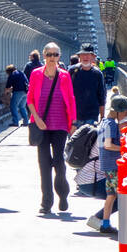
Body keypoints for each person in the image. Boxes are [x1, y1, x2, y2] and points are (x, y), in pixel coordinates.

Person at [26, 41, 76, 215]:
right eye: (49, 55)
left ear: (59, 57)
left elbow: (70, 99)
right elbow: (30, 98)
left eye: (55, 55)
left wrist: (73, 123)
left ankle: (63, 193)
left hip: (61, 124)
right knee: (44, 163)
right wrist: (37, 119)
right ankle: (46, 202)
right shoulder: (35, 74)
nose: (52, 58)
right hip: (41, 124)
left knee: (59, 162)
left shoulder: (64, 76)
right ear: (44, 56)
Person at [91, 95, 127, 235]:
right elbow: (108, 145)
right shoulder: (110, 124)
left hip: (107, 164)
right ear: (117, 111)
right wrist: (124, 149)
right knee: (122, 195)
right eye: (125, 112)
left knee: (111, 196)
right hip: (113, 165)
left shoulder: (104, 122)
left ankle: (105, 224)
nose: (126, 115)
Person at [69, 44, 106, 127]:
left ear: (93, 57)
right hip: (74, 116)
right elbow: (66, 93)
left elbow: (101, 96)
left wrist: (102, 116)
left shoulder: (97, 74)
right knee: (75, 140)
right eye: (82, 55)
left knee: (90, 139)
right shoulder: (72, 71)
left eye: (87, 54)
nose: (85, 57)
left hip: (92, 116)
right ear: (79, 57)